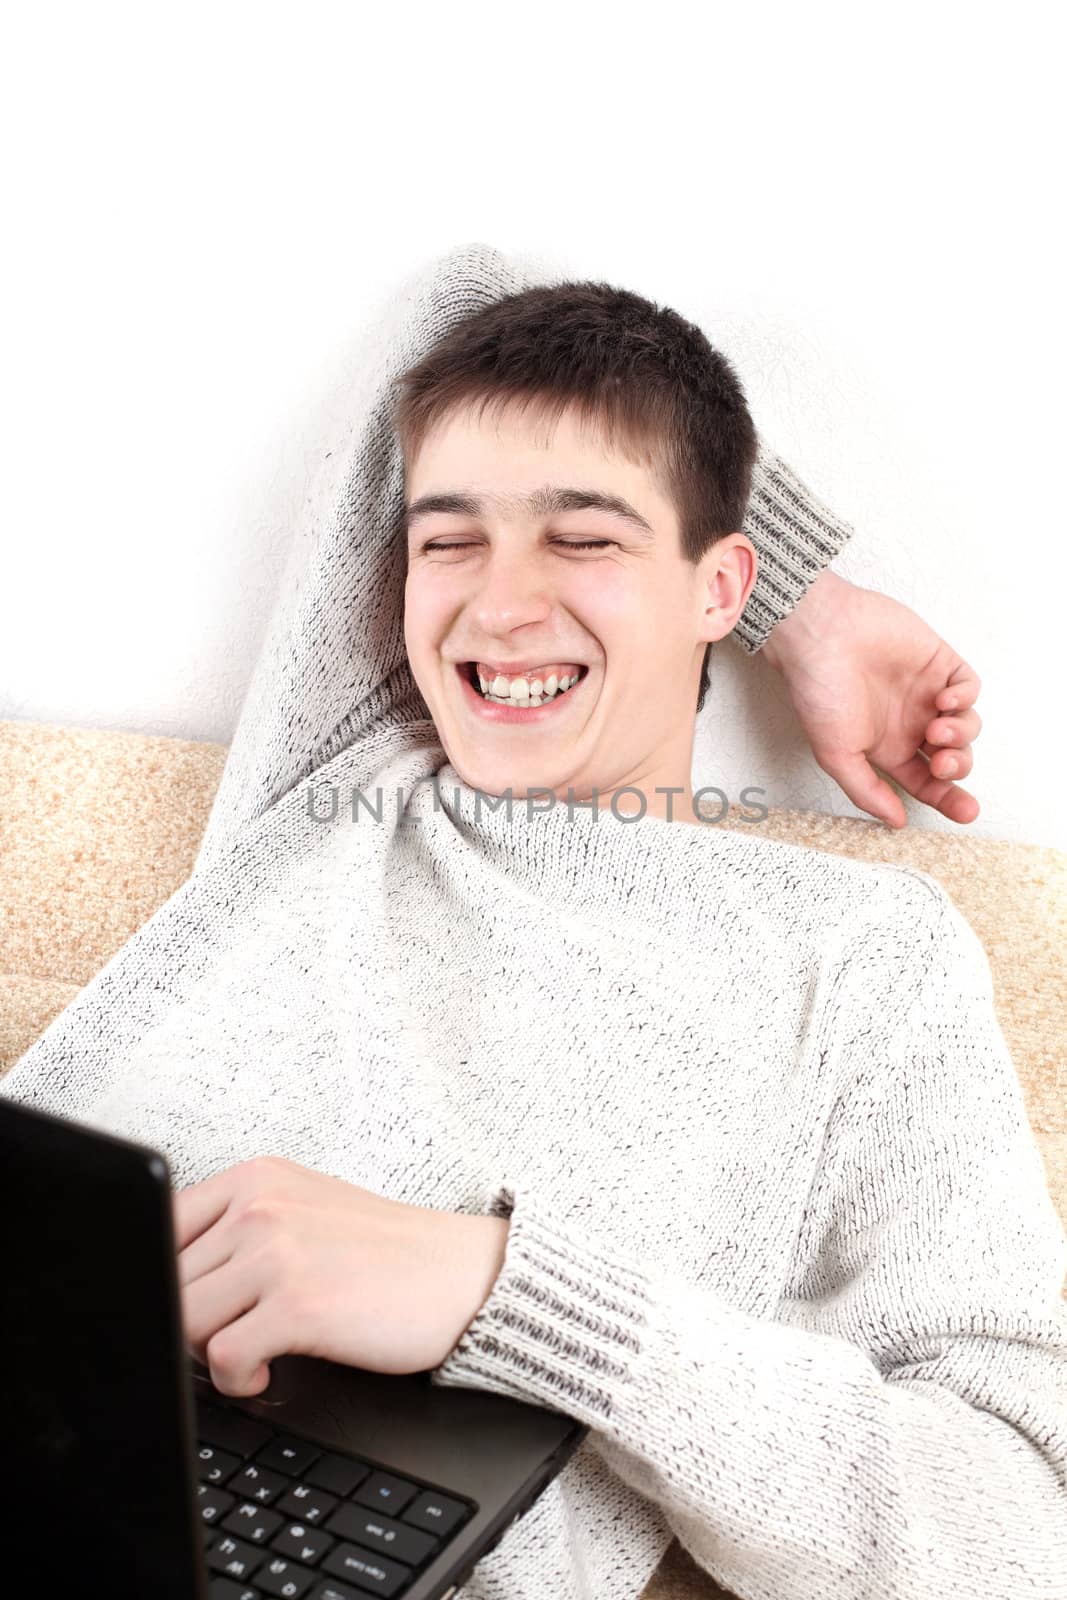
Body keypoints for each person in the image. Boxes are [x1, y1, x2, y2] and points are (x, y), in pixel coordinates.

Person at [2, 242, 1062, 1600]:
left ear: (714, 588)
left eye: (585, 537)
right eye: (449, 539)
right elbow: (463, 299)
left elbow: (1019, 1534)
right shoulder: (336, 778)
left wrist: (515, 1296)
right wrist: (820, 613)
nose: (498, 604)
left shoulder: (861, 957)